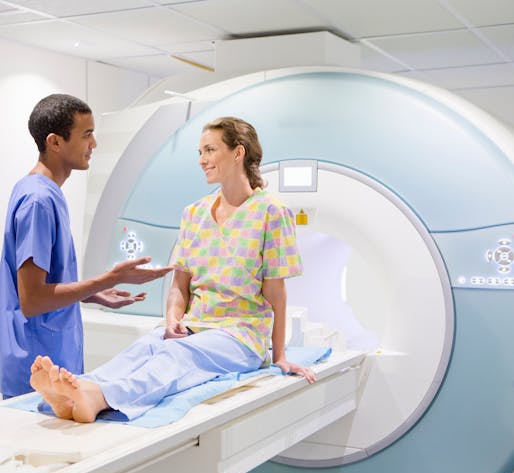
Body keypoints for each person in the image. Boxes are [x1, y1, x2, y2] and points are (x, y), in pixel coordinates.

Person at [29, 116, 316, 423]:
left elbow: (277, 294)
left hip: (240, 334)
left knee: (175, 354)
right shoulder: (194, 214)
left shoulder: (271, 212)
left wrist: (280, 355)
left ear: (238, 153)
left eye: (210, 150)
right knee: (147, 345)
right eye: (200, 153)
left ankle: (99, 398)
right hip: (195, 325)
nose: (202, 160)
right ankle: (81, 388)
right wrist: (172, 320)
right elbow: (180, 285)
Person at [0, 94, 173, 398]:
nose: (94, 144)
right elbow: (32, 299)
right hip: (37, 366)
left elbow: (45, 284)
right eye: (86, 134)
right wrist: (111, 278)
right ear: (55, 142)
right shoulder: (38, 201)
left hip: (44, 358)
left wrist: (92, 293)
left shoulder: (41, 191)